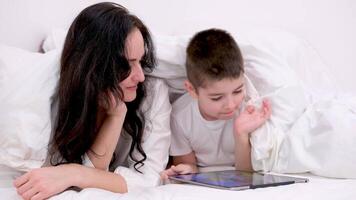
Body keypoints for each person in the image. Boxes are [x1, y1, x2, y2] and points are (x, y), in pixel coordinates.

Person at [13, 2, 171, 199]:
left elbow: (149, 179)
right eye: (127, 65)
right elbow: (68, 178)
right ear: (95, 66)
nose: (140, 76)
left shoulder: (153, 93)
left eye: (141, 61)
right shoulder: (56, 98)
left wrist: (73, 173)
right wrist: (114, 115)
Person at [161, 28, 271, 179]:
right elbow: (189, 165)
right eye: (217, 98)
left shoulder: (248, 108)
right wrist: (185, 169)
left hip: (240, 171)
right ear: (192, 90)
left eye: (237, 91)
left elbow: (246, 174)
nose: (231, 105)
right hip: (205, 176)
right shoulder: (180, 116)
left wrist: (241, 134)